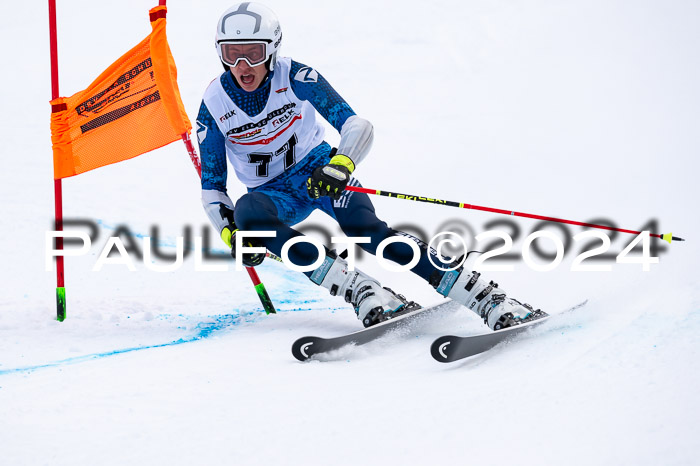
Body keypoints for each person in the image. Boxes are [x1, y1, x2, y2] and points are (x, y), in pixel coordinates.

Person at [197, 2, 544, 330]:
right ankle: (362, 289)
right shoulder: (215, 103)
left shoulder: (296, 76)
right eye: (232, 53)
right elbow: (213, 185)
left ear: (272, 49)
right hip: (272, 195)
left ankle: (485, 296)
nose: (243, 64)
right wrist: (231, 233)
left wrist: (341, 164)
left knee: (367, 231)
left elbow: (356, 124)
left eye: (253, 52)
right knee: (248, 215)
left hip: (319, 173)